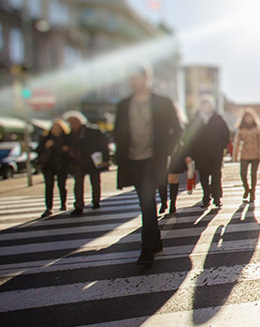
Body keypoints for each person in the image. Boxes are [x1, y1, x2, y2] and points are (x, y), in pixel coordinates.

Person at [114, 65, 182, 266]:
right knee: (146, 202)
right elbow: (118, 133)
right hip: (133, 159)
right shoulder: (124, 105)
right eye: (130, 78)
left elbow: (177, 130)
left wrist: (166, 151)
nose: (132, 82)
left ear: (146, 78)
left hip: (154, 159)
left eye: (136, 77)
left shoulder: (162, 102)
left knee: (147, 201)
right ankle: (157, 239)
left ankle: (147, 248)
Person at [187, 96, 231, 209]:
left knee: (216, 175)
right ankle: (206, 197)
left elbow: (226, 133)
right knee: (204, 176)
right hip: (200, 154)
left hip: (215, 152)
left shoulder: (217, 118)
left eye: (208, 105)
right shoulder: (196, 119)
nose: (205, 107)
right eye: (203, 105)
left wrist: (221, 146)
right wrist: (192, 153)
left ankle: (217, 198)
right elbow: (190, 137)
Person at [64, 111, 110, 217]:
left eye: (73, 122)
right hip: (78, 161)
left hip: (93, 160)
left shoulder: (92, 131)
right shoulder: (70, 135)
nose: (72, 125)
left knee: (95, 182)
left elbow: (103, 145)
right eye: (70, 123)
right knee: (78, 184)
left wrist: (105, 159)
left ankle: (96, 201)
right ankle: (79, 205)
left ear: (79, 121)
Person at [38, 119, 71, 217]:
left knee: (62, 185)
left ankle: (63, 203)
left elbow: (70, 150)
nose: (55, 130)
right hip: (48, 166)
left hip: (62, 165)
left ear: (62, 129)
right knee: (49, 186)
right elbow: (38, 150)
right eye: (54, 128)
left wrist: (66, 149)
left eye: (58, 128)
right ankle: (48, 207)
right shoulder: (46, 138)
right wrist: (46, 146)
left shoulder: (66, 138)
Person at [233, 108, 260, 203]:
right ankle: (246, 188)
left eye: (250, 117)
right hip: (244, 154)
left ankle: (253, 192)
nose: (249, 119)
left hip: (255, 154)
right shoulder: (241, 129)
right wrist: (235, 156)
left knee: (253, 174)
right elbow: (237, 143)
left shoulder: (257, 129)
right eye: (247, 117)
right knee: (243, 173)